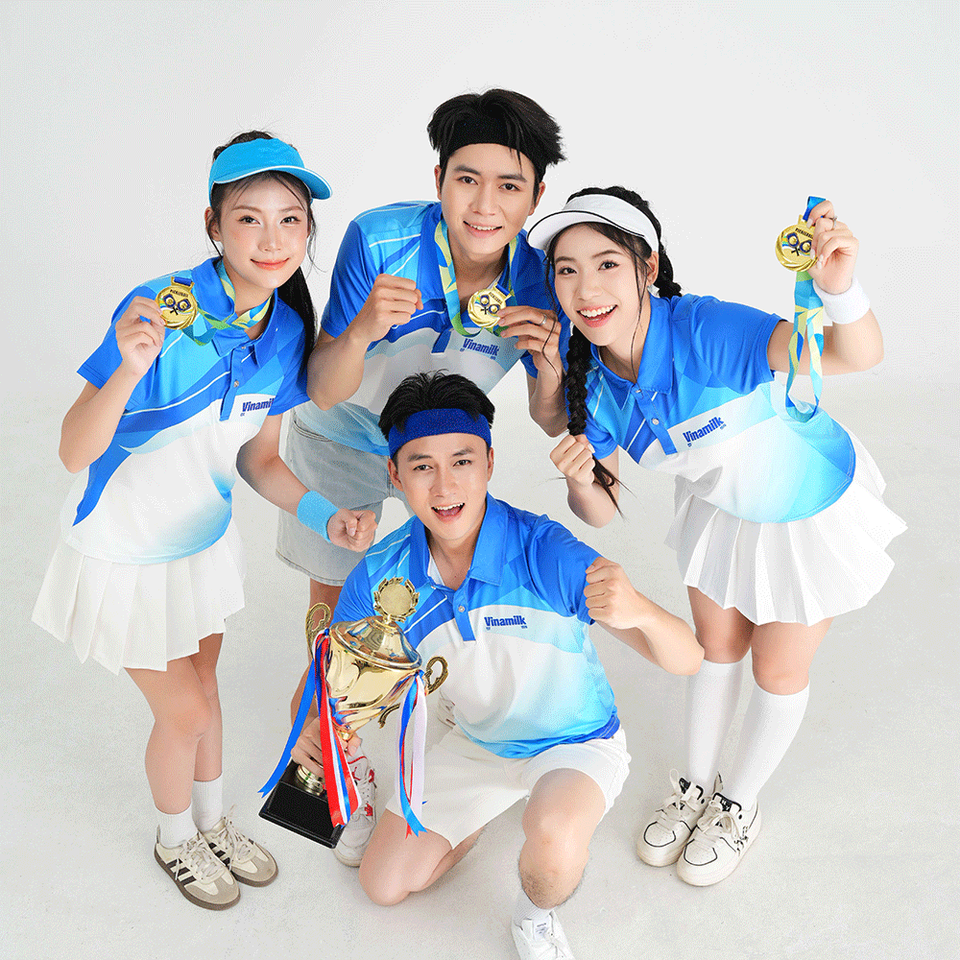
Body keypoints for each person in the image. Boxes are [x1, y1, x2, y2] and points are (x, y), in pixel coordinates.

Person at [31, 132, 376, 911]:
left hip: (199, 547)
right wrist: (127, 370)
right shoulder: (158, 307)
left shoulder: (285, 330)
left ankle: (215, 824)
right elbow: (71, 449)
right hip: (122, 553)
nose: (273, 238)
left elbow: (260, 460)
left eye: (291, 220)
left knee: (207, 695)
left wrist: (327, 515)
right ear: (214, 225)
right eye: (249, 218)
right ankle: (173, 837)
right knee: (183, 712)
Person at [527, 187, 906, 886]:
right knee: (717, 651)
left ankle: (740, 803)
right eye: (567, 270)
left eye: (606, 264)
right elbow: (601, 512)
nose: (586, 289)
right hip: (723, 510)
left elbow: (858, 354)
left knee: (777, 671)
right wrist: (580, 483)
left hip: (807, 504)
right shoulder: (592, 377)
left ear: (647, 268)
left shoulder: (707, 329)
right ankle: (695, 786)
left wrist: (839, 287)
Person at [292, 371, 703, 960]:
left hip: (573, 743)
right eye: (421, 466)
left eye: (461, 461)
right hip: (477, 742)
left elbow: (688, 659)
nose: (444, 485)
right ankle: (478, 815)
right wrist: (321, 729)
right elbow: (340, 687)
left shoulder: (545, 552)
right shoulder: (382, 576)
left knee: (554, 835)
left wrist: (641, 609)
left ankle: (535, 917)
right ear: (394, 476)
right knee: (382, 885)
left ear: (489, 462)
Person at [277, 88, 568, 863]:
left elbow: (549, 419)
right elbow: (322, 388)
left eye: (510, 186)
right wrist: (363, 328)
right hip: (341, 441)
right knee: (341, 616)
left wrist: (547, 366)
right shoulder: (381, 239)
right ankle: (332, 769)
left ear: (537, 195)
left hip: (441, 457)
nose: (485, 204)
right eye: (467, 179)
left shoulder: (543, 277)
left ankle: (442, 722)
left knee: (443, 590)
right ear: (439, 177)